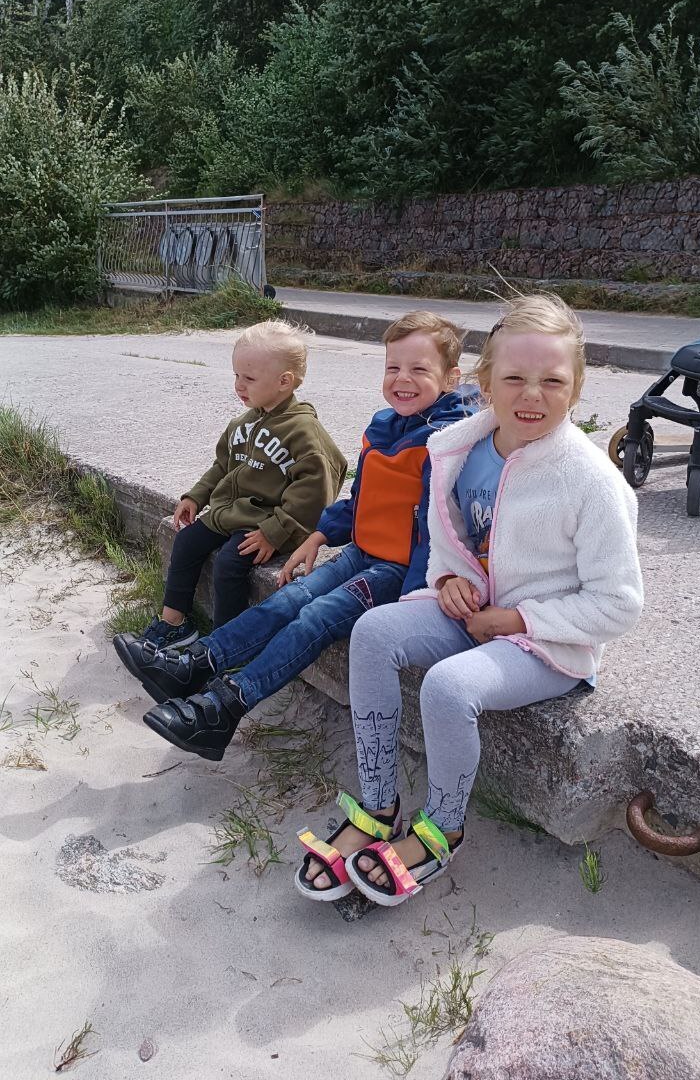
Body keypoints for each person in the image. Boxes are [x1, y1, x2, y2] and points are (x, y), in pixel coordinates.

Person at [294, 294, 643, 906]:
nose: (531, 395)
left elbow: (618, 604)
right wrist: (447, 580)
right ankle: (378, 807)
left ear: (577, 388)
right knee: (372, 631)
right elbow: (448, 542)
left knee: (448, 687)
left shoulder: (593, 482)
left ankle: (443, 826)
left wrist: (518, 619)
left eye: (552, 381)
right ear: (484, 383)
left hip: (546, 640)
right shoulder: (460, 450)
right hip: (474, 612)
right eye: (514, 378)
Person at [130, 312, 475, 763]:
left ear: (451, 378)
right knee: (290, 598)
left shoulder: (447, 441)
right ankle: (194, 663)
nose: (402, 379)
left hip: (398, 571)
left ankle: (225, 705)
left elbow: (440, 528)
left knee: (315, 616)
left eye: (419, 369)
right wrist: (320, 535)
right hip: (362, 552)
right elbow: (361, 500)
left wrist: (413, 600)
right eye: (393, 367)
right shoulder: (384, 425)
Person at [113, 320, 347, 675]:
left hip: (270, 522)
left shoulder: (304, 432)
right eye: (236, 375)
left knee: (229, 563)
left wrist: (276, 531)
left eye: (249, 378)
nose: (239, 385)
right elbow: (222, 466)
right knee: (187, 541)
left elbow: (316, 491)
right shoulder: (243, 424)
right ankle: (174, 625)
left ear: (284, 381)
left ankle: (224, 648)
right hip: (231, 512)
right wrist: (197, 496)